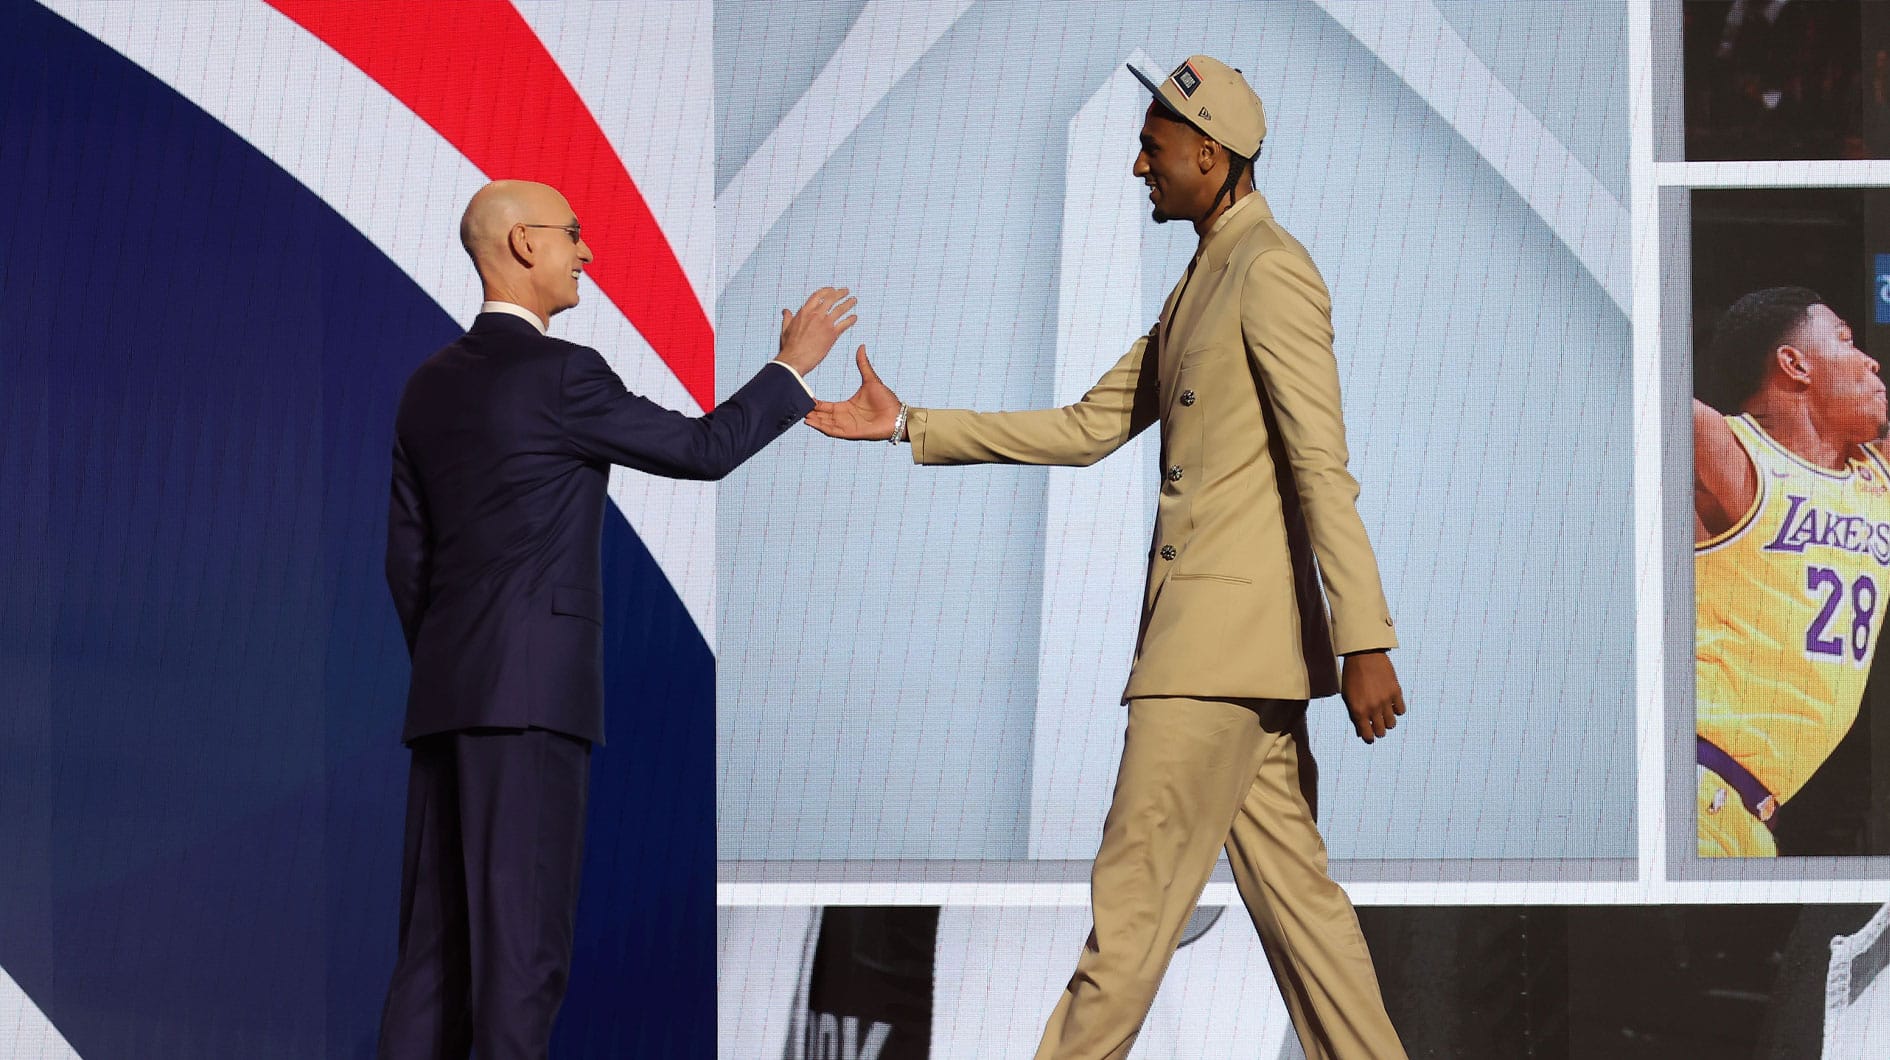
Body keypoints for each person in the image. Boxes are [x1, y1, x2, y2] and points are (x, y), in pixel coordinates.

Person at [808, 56, 1408, 1060]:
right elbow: (1089, 426)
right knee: (1313, 933)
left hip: (1209, 663)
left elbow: (1321, 467)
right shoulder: (1204, 280)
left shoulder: (1272, 271)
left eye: (1155, 149)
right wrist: (908, 422)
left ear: (1211, 156)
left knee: (1127, 931)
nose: (1140, 167)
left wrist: (1368, 638)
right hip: (1240, 667)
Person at [377, 179, 856, 1058]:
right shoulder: (563, 375)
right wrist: (791, 368)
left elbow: (405, 563)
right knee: (522, 963)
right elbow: (703, 450)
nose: (587, 252)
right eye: (575, 233)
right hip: (529, 712)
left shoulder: (425, 388)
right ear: (524, 244)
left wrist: (461, 667)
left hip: (447, 704)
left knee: (432, 966)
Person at [1694, 287, 1890, 858]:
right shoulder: (1727, 451)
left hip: (1747, 809)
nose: (1871, 361)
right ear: (1794, 363)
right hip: (1689, 774)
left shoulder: (1877, 478)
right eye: (1847, 341)